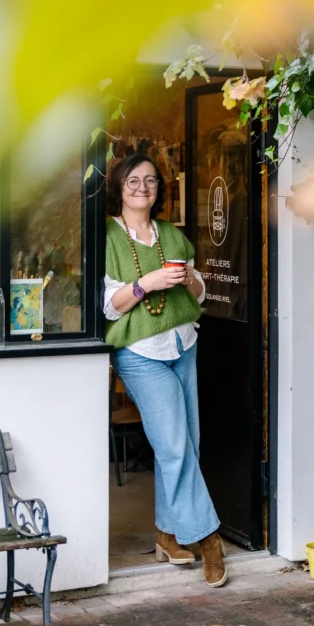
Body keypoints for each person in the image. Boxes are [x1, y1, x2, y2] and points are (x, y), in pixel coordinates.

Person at [103, 152, 227, 586]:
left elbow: (199, 292)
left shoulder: (172, 235)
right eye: (133, 181)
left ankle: (168, 533)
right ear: (119, 186)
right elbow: (109, 306)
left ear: (159, 189)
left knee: (184, 442)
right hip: (139, 352)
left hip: (183, 343)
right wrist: (146, 283)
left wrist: (190, 278)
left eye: (151, 181)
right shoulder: (106, 238)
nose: (143, 188)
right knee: (175, 445)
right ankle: (208, 538)